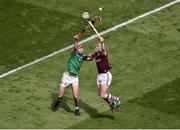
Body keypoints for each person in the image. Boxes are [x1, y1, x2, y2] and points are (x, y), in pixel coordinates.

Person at [52, 42, 90, 116]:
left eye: (82, 48)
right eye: (79, 48)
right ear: (77, 49)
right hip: (66, 77)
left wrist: (96, 54)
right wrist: (76, 41)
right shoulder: (73, 54)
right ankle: (58, 101)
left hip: (75, 78)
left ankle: (77, 109)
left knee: (75, 96)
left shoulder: (82, 57)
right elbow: (75, 47)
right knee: (60, 97)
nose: (81, 49)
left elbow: (90, 58)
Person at [87, 37, 121, 112]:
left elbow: (103, 50)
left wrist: (102, 42)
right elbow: (89, 59)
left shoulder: (103, 54)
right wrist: (86, 57)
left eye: (98, 47)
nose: (97, 47)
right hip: (99, 75)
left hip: (106, 75)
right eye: (96, 46)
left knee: (103, 94)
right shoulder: (96, 54)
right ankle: (111, 103)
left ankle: (116, 99)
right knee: (100, 94)